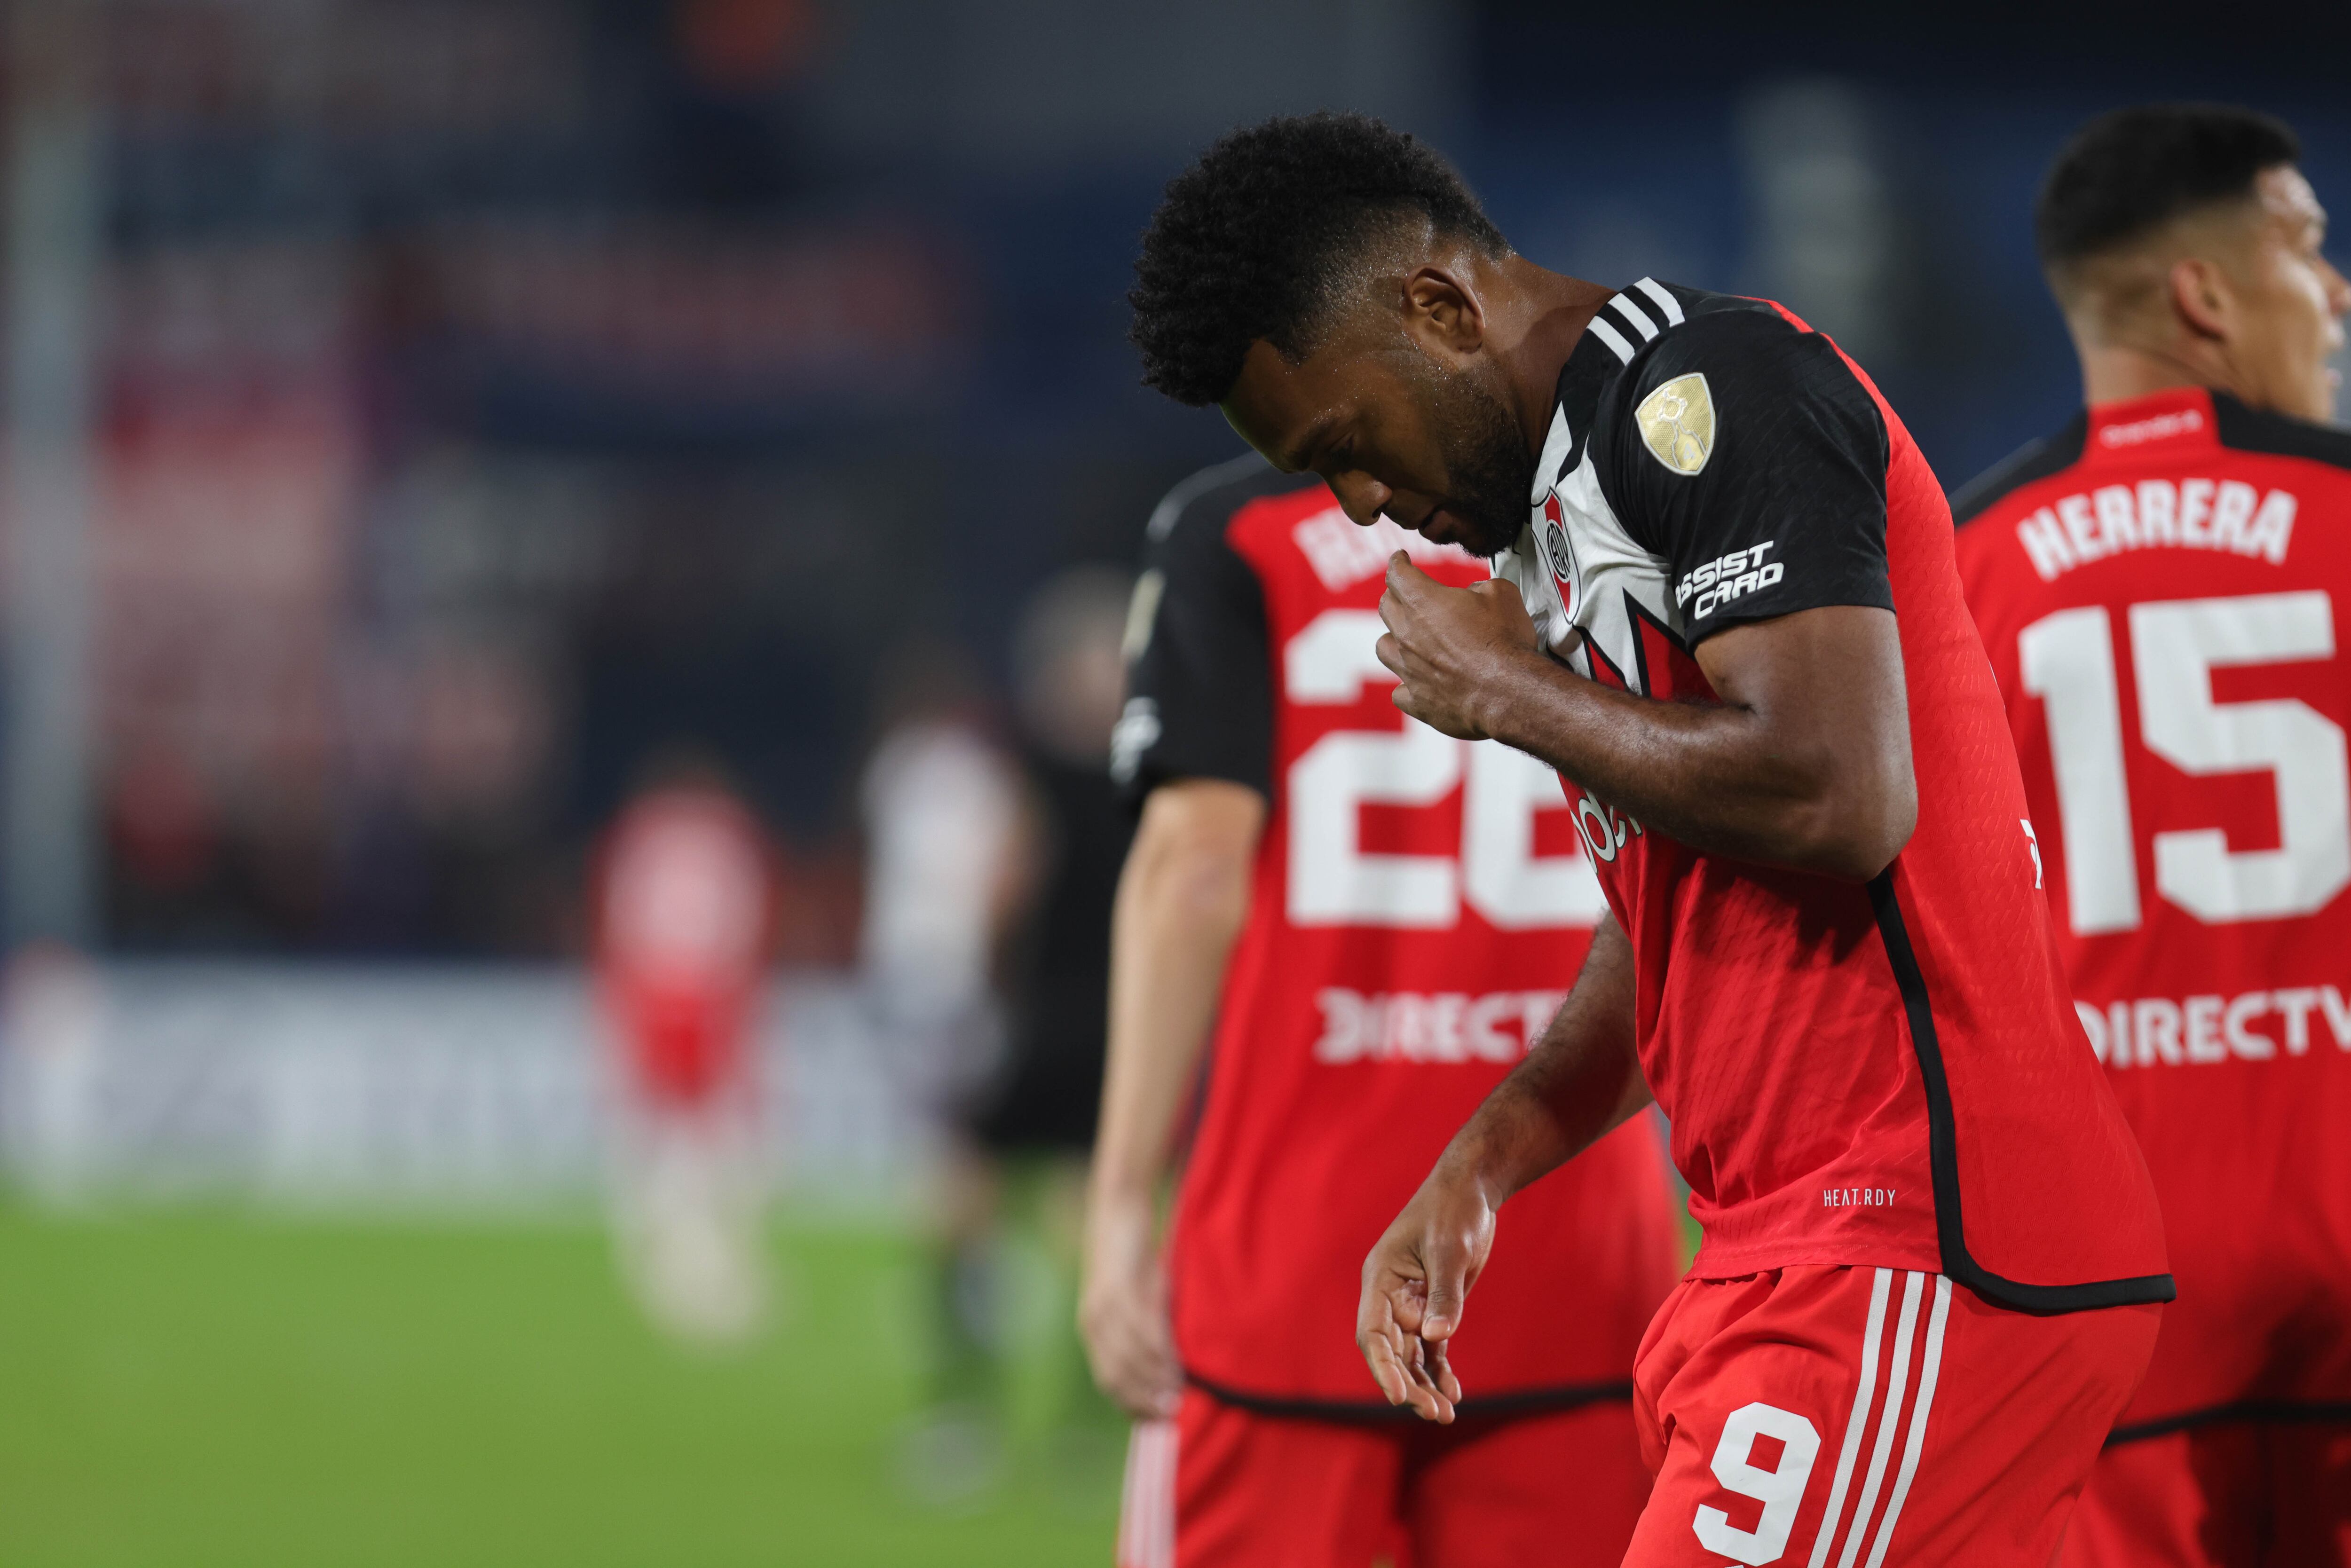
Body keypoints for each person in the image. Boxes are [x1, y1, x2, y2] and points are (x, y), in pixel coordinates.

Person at [1128, 111, 2174, 1566]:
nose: (1362, 506)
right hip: (1795, 1243)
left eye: (1348, 445)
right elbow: (1672, 905)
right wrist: (1479, 1162)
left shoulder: (1716, 387)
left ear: (1438, 306)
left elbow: (1839, 792)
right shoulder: (1561, 516)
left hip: (1910, 1236)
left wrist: (1508, 691)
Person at [1088, 455, 1682, 1567]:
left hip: (1289, 1271)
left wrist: (1121, 1200)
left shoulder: (1241, 532)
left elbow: (1192, 867)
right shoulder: (1619, 515)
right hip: (1575, 1254)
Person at [1950, 103, 2351, 1568]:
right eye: (2308, 249)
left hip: (2104, 1298)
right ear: (2205, 293)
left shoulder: (1952, 572)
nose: (2337, 293)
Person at [594, 765, 777, 1344]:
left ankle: (661, 1252)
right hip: (708, 996)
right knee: (713, 1137)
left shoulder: (640, 835)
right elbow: (747, 926)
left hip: (652, 992)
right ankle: (700, 1263)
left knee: (663, 1133)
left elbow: (617, 923)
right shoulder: (729, 837)